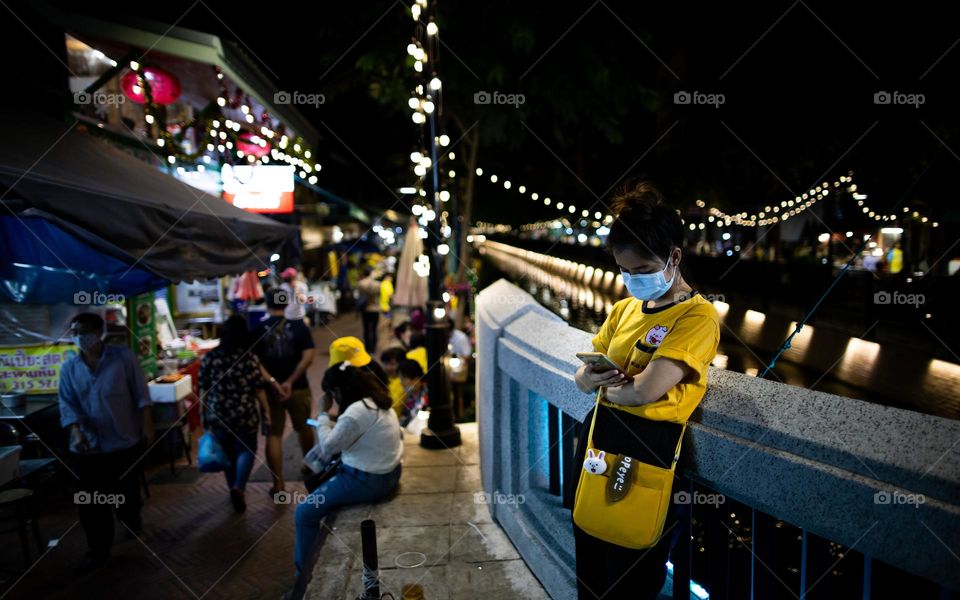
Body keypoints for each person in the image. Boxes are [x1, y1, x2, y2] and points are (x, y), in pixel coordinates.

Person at [571, 181, 720, 599]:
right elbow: (583, 378)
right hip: (599, 441)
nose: (633, 280)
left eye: (642, 270)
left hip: (649, 453)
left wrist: (607, 387)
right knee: (591, 568)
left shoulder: (698, 317)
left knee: (633, 573)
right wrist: (595, 381)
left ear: (674, 257)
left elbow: (644, 392)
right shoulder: (623, 309)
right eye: (625, 271)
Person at [58, 312, 154, 572]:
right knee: (91, 500)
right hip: (87, 448)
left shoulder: (123, 358)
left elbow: (141, 394)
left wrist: (147, 427)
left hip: (123, 442)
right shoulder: (69, 367)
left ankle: (130, 518)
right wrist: (76, 432)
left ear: (99, 332)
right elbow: (68, 405)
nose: (80, 337)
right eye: (75, 332)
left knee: (125, 492)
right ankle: (98, 548)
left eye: (85, 331)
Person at [293, 363, 403, 576]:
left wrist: (323, 414)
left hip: (368, 480)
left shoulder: (355, 412)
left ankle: (302, 578)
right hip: (391, 472)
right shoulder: (375, 400)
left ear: (337, 391)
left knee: (303, 514)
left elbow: (328, 446)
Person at [198, 315, 270, 512]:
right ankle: (239, 487)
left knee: (228, 453)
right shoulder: (249, 357)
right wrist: (267, 411)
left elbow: (203, 389)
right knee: (246, 449)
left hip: (218, 414)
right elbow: (259, 389)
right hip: (244, 413)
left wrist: (202, 414)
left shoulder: (210, 357)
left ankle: (233, 488)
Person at [254, 289, 316, 494]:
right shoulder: (300, 327)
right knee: (304, 428)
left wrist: (273, 382)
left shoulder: (257, 329)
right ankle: (310, 469)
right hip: (298, 388)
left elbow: (254, 361)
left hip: (270, 393)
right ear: (286, 303)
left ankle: (278, 484)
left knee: (274, 434)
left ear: (267, 304)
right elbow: (308, 357)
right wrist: (290, 381)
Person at [357, 267, 382, 354]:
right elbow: (379, 296)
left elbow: (360, 296)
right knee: (374, 329)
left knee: (366, 329)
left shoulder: (361, 283)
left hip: (366, 309)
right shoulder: (378, 284)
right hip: (375, 309)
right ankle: (373, 348)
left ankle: (367, 347)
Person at [397, 359, 428, 427]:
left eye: (403, 378)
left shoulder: (428, 391)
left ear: (416, 378)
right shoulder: (411, 395)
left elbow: (412, 416)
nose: (401, 383)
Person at [380, 347, 409, 417]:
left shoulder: (404, 382)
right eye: (386, 363)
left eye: (392, 364)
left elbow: (393, 405)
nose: (388, 367)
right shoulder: (383, 378)